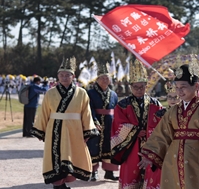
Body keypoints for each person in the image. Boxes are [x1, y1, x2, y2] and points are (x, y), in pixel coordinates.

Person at [138, 64, 199, 189]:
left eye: (183, 87)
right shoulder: (173, 111)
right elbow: (162, 134)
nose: (179, 91)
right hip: (173, 160)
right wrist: (151, 153)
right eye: (177, 87)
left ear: (196, 86)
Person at [31, 57, 99, 189]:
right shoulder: (50, 93)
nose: (64, 77)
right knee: (56, 155)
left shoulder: (82, 93)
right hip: (54, 128)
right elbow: (44, 112)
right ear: (57, 77)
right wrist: (41, 130)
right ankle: (58, 184)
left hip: (75, 129)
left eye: (67, 75)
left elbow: (86, 113)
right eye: (61, 75)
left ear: (73, 76)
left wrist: (88, 131)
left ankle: (65, 182)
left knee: (72, 154)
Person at [111, 59, 162, 189]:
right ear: (130, 86)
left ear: (146, 85)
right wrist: (135, 132)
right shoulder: (122, 105)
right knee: (131, 173)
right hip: (130, 146)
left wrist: (150, 132)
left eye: (142, 87)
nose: (139, 90)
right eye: (136, 87)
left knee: (150, 175)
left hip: (150, 146)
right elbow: (118, 123)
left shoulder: (155, 104)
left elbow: (161, 124)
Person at [87, 65, 119, 181]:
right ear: (97, 80)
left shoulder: (114, 94)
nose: (105, 80)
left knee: (109, 146)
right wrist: (94, 121)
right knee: (93, 146)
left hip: (110, 124)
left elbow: (117, 110)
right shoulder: (90, 93)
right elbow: (88, 109)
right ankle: (93, 172)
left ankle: (109, 172)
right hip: (95, 122)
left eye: (107, 78)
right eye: (102, 78)